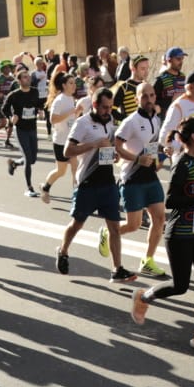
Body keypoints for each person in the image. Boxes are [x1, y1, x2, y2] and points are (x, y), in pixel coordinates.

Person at [129, 115, 194, 353]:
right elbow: (171, 200)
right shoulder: (182, 163)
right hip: (181, 233)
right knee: (181, 286)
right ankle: (144, 297)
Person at [54, 89, 137, 282]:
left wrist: (114, 155)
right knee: (77, 224)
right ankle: (63, 251)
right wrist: (92, 145)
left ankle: (117, 269)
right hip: (88, 183)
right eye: (104, 107)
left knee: (115, 228)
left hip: (107, 182)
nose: (108, 111)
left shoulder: (110, 121)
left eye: (110, 107)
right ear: (95, 105)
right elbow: (67, 151)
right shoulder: (82, 123)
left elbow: (111, 148)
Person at [112, 82, 169, 279]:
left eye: (152, 95)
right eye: (144, 96)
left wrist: (161, 155)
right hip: (132, 177)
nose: (149, 99)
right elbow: (116, 146)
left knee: (160, 218)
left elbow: (153, 145)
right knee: (133, 225)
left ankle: (148, 261)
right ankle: (110, 232)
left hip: (150, 176)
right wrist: (136, 159)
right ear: (137, 99)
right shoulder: (131, 121)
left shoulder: (156, 119)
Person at [2, 68, 45, 197]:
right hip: (21, 130)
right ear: (19, 80)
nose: (28, 78)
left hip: (32, 128)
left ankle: (14, 163)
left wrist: (40, 110)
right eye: (25, 77)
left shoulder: (35, 92)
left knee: (32, 159)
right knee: (27, 158)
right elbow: (4, 109)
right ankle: (29, 187)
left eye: (28, 76)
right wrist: (11, 117)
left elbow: (38, 104)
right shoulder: (14, 95)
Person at [39, 71, 79, 205]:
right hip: (60, 141)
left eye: (74, 83)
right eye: (71, 83)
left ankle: (77, 195)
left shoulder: (71, 99)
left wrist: (77, 113)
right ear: (63, 85)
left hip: (71, 140)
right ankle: (45, 187)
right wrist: (70, 112)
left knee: (75, 168)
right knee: (61, 171)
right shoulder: (60, 100)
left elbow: (72, 119)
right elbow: (53, 119)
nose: (74, 86)